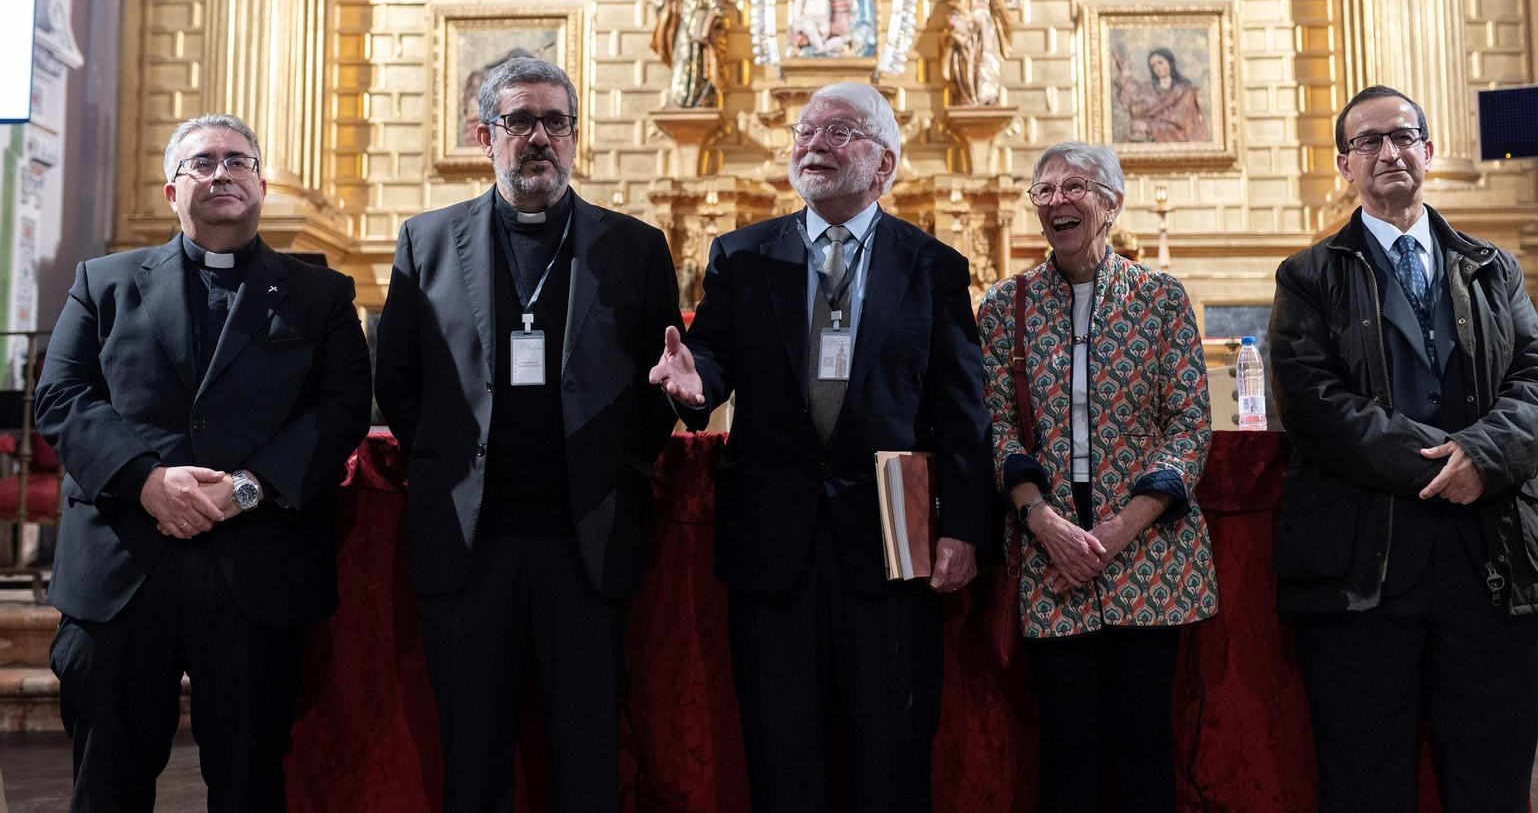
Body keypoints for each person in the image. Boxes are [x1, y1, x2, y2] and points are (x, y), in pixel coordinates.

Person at [649, 81, 993, 813]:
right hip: (774, 543)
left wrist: (964, 525)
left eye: (839, 132)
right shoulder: (742, 256)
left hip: (893, 550)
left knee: (892, 755)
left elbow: (962, 408)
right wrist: (691, 381)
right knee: (782, 753)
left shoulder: (933, 266)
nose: (813, 144)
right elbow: (712, 359)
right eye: (806, 132)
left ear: (885, 164)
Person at [35, 113, 373, 812]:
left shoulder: (322, 296)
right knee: (106, 785)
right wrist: (146, 481)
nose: (222, 172)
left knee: (251, 783)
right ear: (170, 190)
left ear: (262, 183)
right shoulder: (103, 282)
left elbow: (342, 409)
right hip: (123, 566)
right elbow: (62, 394)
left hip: (255, 571)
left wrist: (248, 488)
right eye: (203, 162)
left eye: (238, 160)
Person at [375, 57, 682, 813]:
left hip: (587, 544)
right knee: (472, 761)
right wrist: (453, 462)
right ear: (486, 135)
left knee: (588, 759)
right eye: (520, 121)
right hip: (471, 544)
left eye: (555, 122)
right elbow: (401, 381)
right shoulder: (427, 241)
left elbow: (661, 381)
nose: (539, 137)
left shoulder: (635, 248)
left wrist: (618, 459)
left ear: (575, 137)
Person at [1268, 85, 1538, 812]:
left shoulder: (1493, 267)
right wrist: (1446, 463)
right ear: (1345, 165)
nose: (1388, 152)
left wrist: (1484, 458)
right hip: (1364, 574)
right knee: (1366, 787)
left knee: (1491, 785)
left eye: (1403, 136)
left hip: (1493, 564)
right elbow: (1317, 408)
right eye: (1368, 142)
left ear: (1428, 152)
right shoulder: (1307, 277)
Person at [977, 141, 1217, 812]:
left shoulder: (1162, 298)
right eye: (1044, 190)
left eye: (1074, 186)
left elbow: (1187, 426)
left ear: (1111, 203)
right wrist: (1046, 523)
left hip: (1147, 556)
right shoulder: (1005, 308)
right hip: (1049, 557)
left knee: (1144, 746)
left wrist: (1111, 534)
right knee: (1067, 747)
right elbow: (993, 427)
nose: (1057, 200)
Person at [940, 0, 1022, 107]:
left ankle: (988, 96)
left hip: (987, 30)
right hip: (969, 31)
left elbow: (1014, 1)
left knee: (988, 60)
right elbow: (954, 10)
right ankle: (969, 96)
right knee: (967, 63)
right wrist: (956, 21)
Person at [650, 0, 728, 108]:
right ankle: (678, 98)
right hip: (682, 34)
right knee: (681, 63)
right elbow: (663, 8)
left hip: (701, 37)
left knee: (700, 67)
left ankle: (700, 99)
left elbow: (720, 12)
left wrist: (708, 23)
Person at [1112, 47, 1209, 143]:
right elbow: (1130, 100)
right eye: (1153, 65)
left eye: (1160, 62)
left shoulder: (1185, 91)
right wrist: (1125, 70)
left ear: (1170, 62)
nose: (1157, 68)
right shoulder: (1148, 89)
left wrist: (1149, 127)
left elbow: (1182, 125)